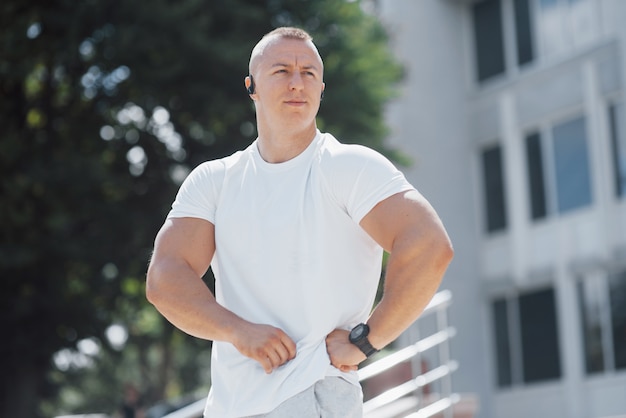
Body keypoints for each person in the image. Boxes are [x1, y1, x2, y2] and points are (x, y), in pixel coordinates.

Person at [146, 26, 453, 418]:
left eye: (309, 73)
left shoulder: (348, 167)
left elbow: (429, 245)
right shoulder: (215, 181)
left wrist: (368, 340)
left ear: (322, 88)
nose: (297, 83)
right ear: (251, 86)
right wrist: (237, 330)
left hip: (313, 398)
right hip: (229, 407)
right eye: (281, 71)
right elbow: (165, 278)